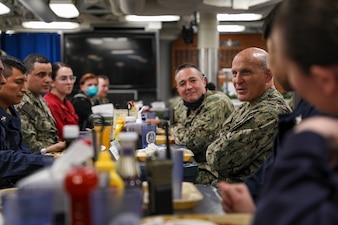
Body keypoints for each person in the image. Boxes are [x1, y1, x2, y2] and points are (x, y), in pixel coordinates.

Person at [218, 2, 322, 213]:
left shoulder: (317, 117)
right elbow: (273, 168)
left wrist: (260, 210)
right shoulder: (307, 109)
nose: (275, 63)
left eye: (275, 51)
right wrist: (247, 193)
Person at [252, 0, 338, 224]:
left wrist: (308, 136)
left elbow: (281, 216)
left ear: (323, 79)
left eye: (278, 55)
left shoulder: (320, 126)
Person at [206, 47, 291, 185]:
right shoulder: (249, 105)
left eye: (246, 72)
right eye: (234, 73)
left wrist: (218, 143)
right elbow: (218, 138)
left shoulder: (269, 112)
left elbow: (219, 160)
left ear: (267, 75)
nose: (237, 80)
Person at [171, 63, 235, 185]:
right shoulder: (181, 105)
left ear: (203, 82)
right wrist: (178, 128)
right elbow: (172, 126)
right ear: (178, 89)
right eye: (182, 84)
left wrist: (176, 128)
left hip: (214, 172)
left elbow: (192, 142)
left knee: (168, 178)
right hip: (190, 163)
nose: (188, 87)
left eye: (193, 80)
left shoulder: (217, 102)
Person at [0, 55, 56, 189]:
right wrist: (47, 160)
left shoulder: (12, 111)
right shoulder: (21, 105)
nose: (24, 88)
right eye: (19, 82)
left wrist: (45, 152)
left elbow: (20, 155)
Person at [15, 53, 65, 153]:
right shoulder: (21, 103)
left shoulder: (42, 100)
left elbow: (51, 135)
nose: (48, 80)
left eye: (50, 75)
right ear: (26, 76)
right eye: (41, 75)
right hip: (40, 162)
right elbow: (30, 147)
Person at [44, 62, 79, 141]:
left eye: (71, 78)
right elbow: (61, 136)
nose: (69, 82)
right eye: (63, 79)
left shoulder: (68, 103)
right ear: (52, 82)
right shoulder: (50, 104)